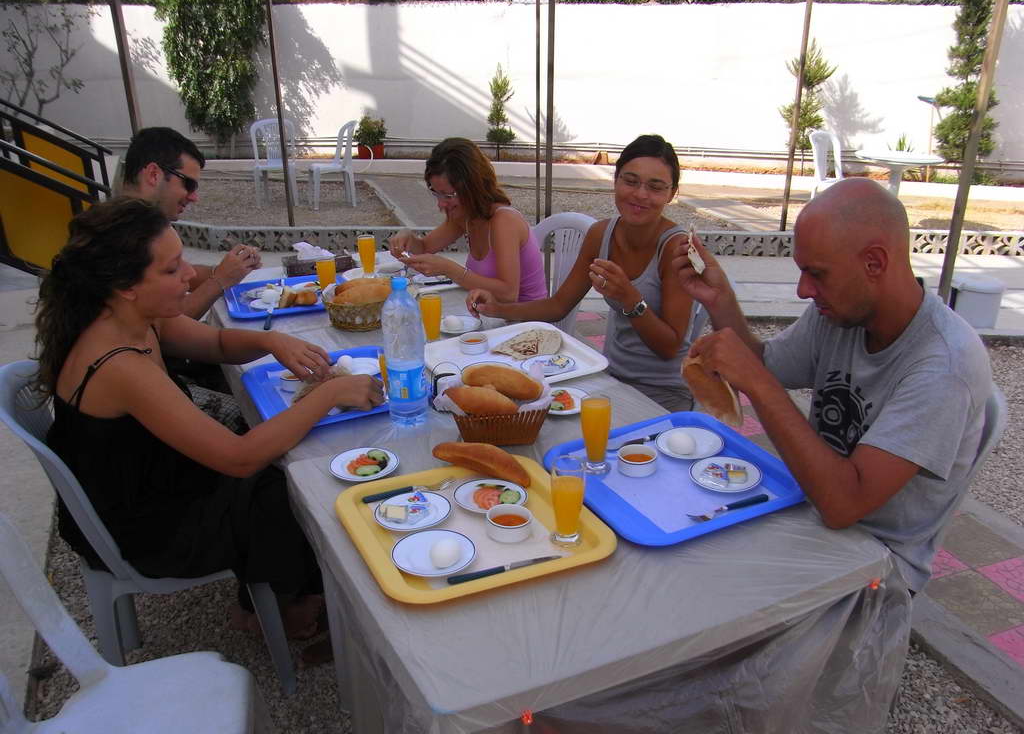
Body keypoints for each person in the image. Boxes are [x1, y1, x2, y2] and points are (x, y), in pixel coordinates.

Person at [35, 198, 384, 657]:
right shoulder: (117, 363)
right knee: (298, 483)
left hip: (155, 480)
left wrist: (269, 339)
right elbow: (238, 460)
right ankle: (278, 606)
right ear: (125, 286)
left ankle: (286, 592)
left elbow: (217, 342)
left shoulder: (133, 318)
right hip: (150, 526)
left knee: (281, 447)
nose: (190, 276)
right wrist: (330, 394)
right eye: (172, 268)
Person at [671, 177, 992, 593]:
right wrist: (720, 300)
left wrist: (757, 385)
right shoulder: (842, 313)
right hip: (810, 508)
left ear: (874, 263)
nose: (804, 290)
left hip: (877, 562)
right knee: (680, 534)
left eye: (816, 274)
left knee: (701, 589)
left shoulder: (945, 366)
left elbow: (844, 505)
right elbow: (767, 364)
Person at [467, 134, 697, 411]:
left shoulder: (676, 248)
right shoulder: (601, 234)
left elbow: (670, 347)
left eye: (655, 187)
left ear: (671, 194)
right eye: (630, 181)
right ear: (615, 181)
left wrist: (630, 300)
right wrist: (497, 308)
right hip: (609, 376)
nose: (640, 195)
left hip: (663, 393)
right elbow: (558, 306)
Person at [120, 127, 262, 320]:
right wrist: (221, 280)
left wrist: (229, 269)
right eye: (189, 185)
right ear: (154, 174)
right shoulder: (121, 236)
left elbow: (184, 273)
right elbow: (170, 324)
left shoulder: (139, 221)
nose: (194, 197)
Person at [387, 137, 547, 303]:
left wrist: (449, 269)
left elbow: (508, 294)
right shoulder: (466, 215)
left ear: (473, 188)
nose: (440, 203)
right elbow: (425, 247)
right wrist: (408, 237)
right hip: (490, 314)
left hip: (526, 322)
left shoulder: (504, 221)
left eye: (448, 195)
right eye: (436, 193)